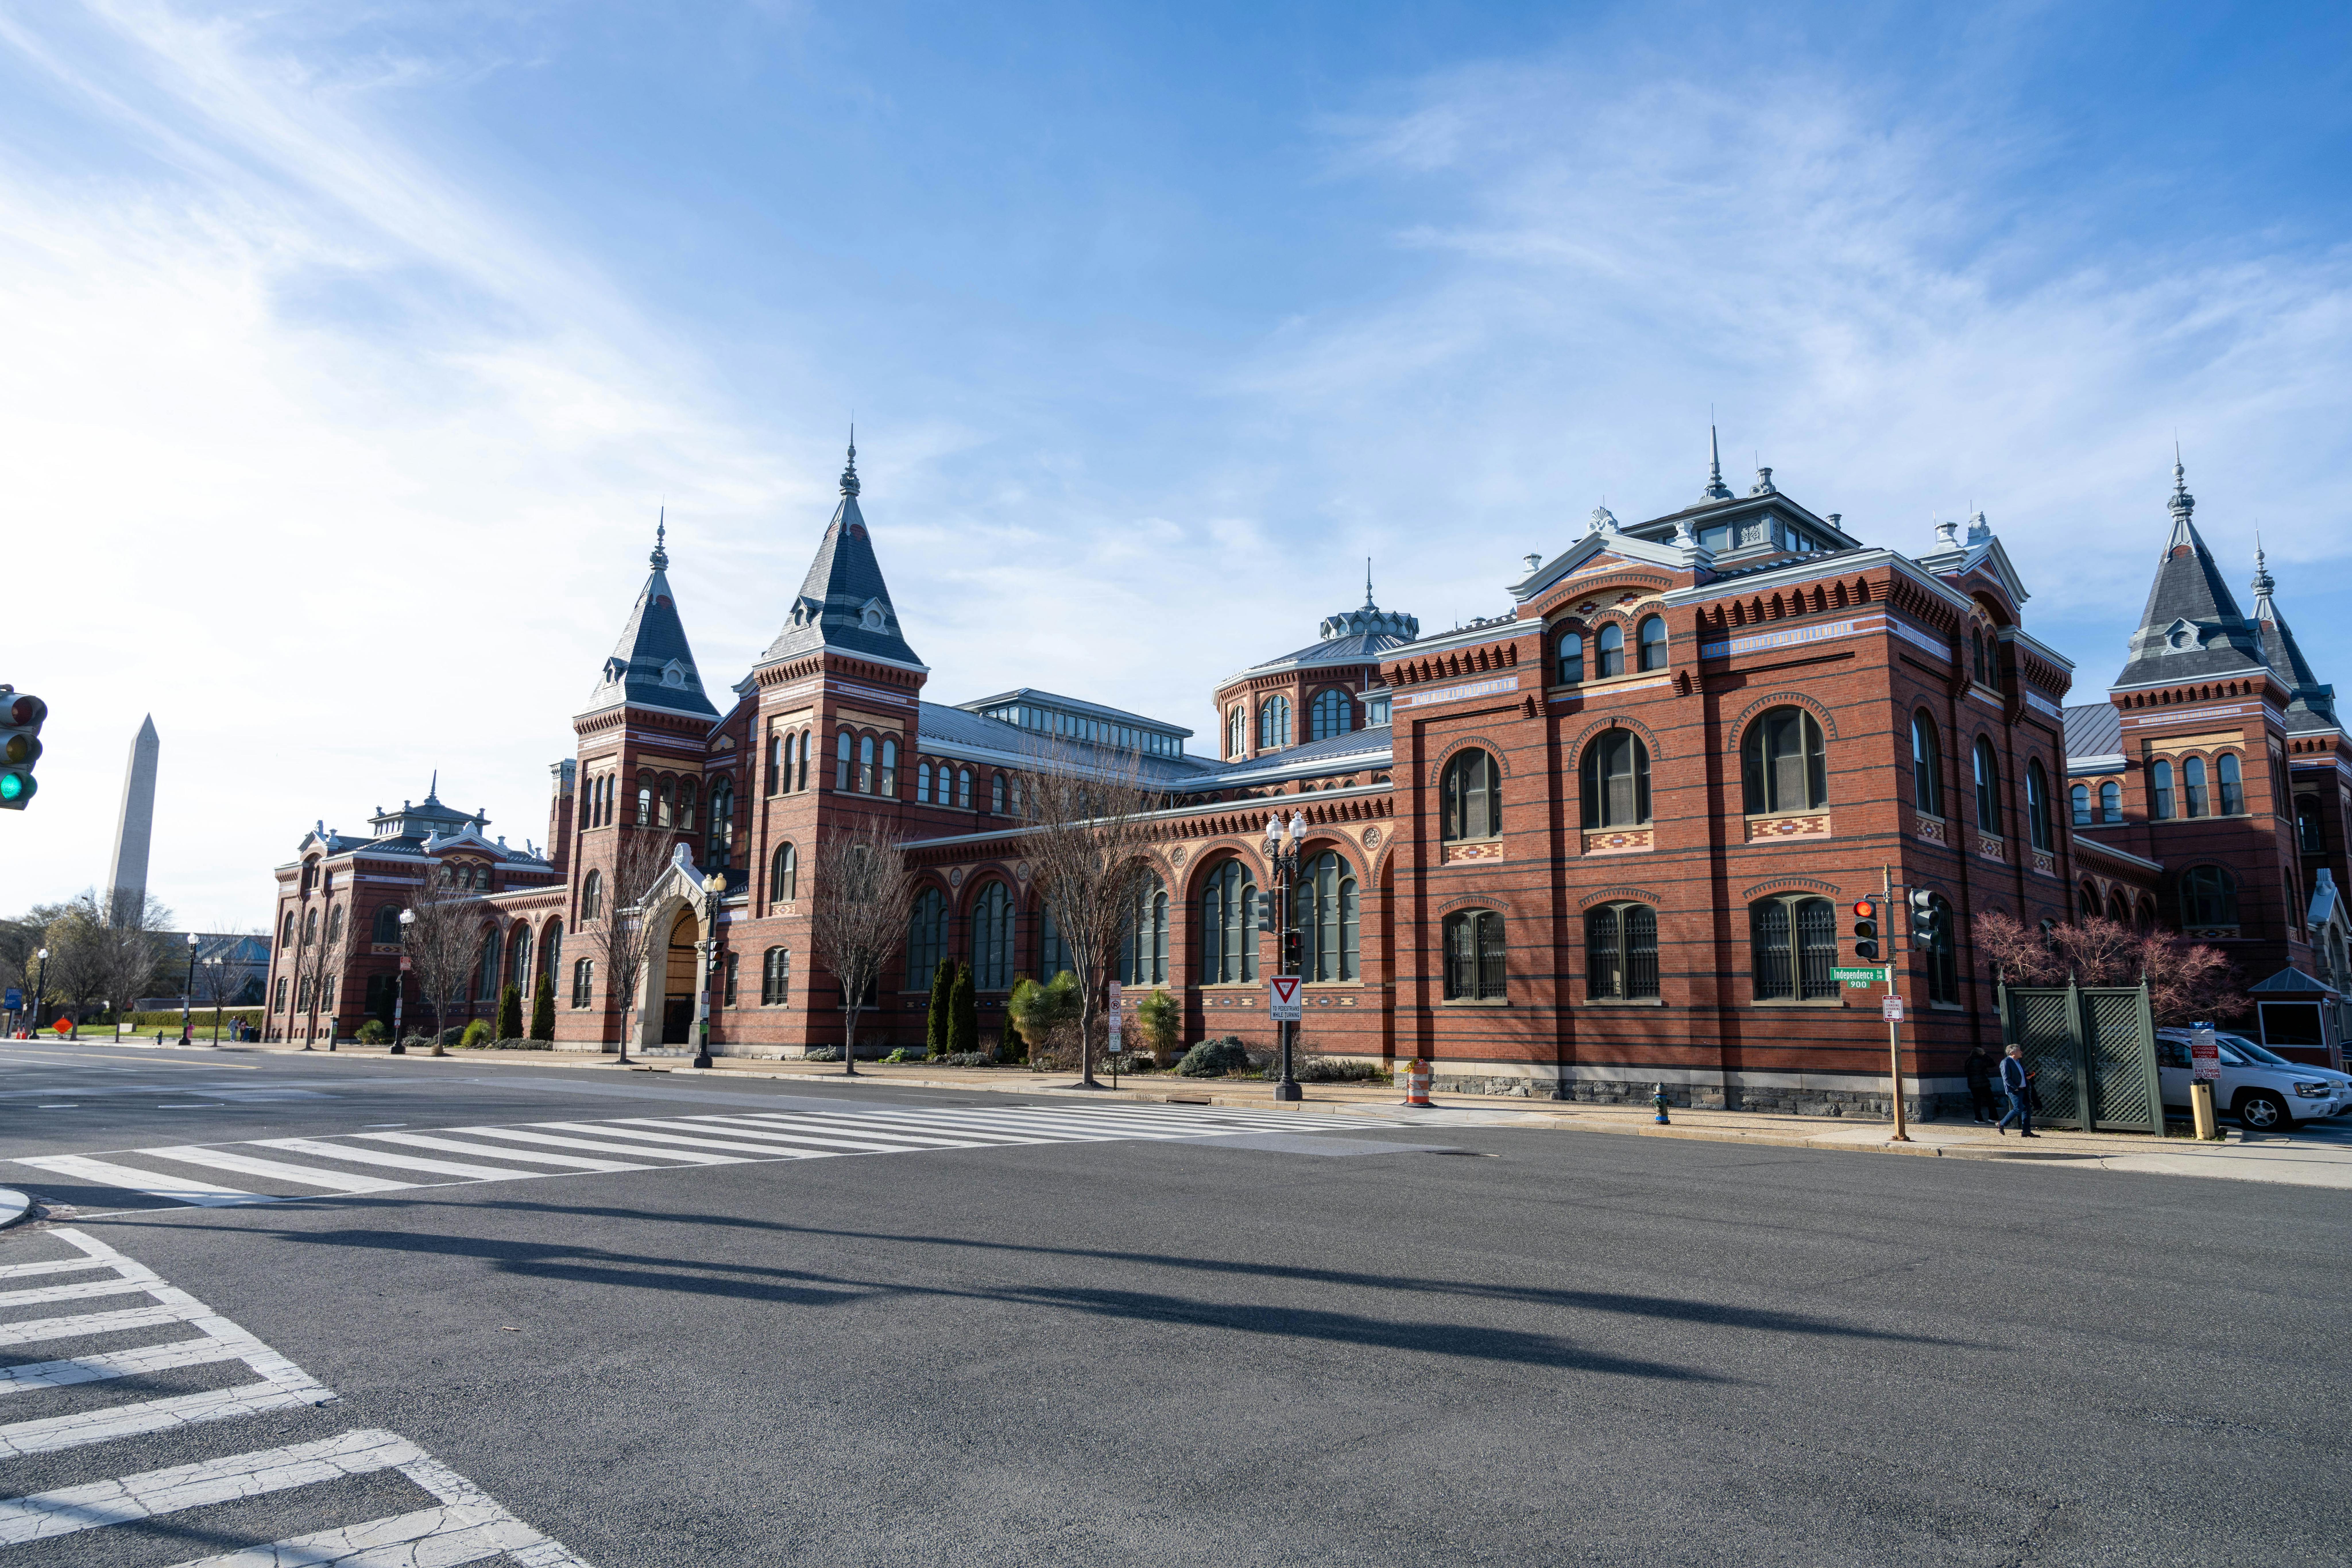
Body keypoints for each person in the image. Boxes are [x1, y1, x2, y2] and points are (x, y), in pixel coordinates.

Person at [1995, 1045, 2036, 1137]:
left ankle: (2026, 1131)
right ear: (2012, 1052)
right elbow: (2006, 1078)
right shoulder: (2006, 1062)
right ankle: (2002, 1124)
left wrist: (2027, 1075)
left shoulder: (2017, 1062)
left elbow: (2019, 1074)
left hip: (2023, 1089)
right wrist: (2015, 1088)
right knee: (2019, 1109)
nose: (2021, 1052)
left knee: (2027, 1109)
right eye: (2019, 1050)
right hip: (2015, 1091)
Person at [1964, 1045, 1997, 1123]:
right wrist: (1985, 1055)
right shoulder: (1981, 1060)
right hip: (1983, 1083)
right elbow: (1993, 1064)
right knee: (1990, 1100)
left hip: (1973, 1084)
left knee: (1977, 1101)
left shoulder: (1969, 1061)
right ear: (1980, 1053)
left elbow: (1967, 1072)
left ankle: (1978, 1118)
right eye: (1983, 1052)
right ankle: (1993, 1117)